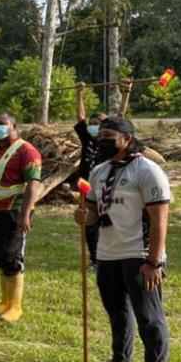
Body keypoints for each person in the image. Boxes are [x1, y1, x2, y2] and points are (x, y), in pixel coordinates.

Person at [74, 116, 172, 362]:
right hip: (108, 251)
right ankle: (121, 360)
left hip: (139, 252)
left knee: (148, 314)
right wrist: (85, 217)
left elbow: (160, 220)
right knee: (116, 310)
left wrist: (154, 262)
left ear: (127, 139)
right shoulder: (99, 171)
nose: (102, 141)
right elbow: (95, 212)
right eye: (100, 136)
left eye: (109, 137)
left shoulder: (147, 171)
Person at [0, 111, 42, 323]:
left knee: (12, 256)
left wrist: (25, 214)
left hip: (12, 211)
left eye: (2, 123)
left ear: (14, 126)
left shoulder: (26, 150)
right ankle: (4, 301)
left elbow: (33, 184)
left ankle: (15, 306)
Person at [75, 83, 108, 267]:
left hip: (105, 184)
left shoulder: (109, 141)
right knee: (87, 220)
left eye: (98, 124)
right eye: (92, 124)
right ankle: (94, 259)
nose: (94, 127)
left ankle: (106, 256)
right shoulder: (86, 137)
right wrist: (79, 93)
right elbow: (80, 117)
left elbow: (121, 116)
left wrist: (126, 92)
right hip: (85, 183)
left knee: (105, 218)